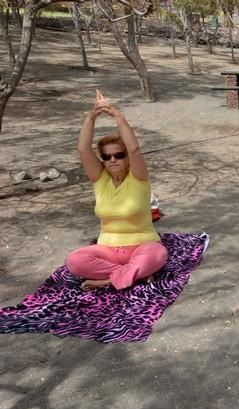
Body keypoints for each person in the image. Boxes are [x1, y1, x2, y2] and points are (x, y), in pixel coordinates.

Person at [65, 90, 168, 291]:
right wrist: (91, 116)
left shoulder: (138, 178)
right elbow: (83, 150)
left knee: (157, 254)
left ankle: (107, 280)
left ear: (127, 157)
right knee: (75, 261)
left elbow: (135, 149)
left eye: (119, 155)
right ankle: (132, 274)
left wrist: (117, 116)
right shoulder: (100, 179)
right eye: (107, 156)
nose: (113, 160)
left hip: (142, 246)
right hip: (108, 250)